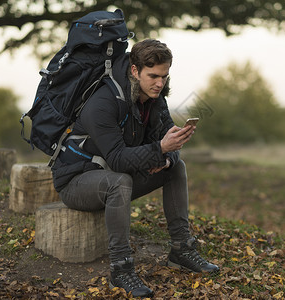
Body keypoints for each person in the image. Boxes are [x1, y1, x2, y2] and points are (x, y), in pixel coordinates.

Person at [51, 39, 219, 298]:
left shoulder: (155, 99)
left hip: (117, 176)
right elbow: (118, 159)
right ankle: (121, 269)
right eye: (152, 76)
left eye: (164, 76)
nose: (159, 83)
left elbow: (167, 146)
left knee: (176, 168)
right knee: (119, 181)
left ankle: (182, 250)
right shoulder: (103, 102)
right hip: (76, 182)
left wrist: (165, 158)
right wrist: (160, 150)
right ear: (134, 70)